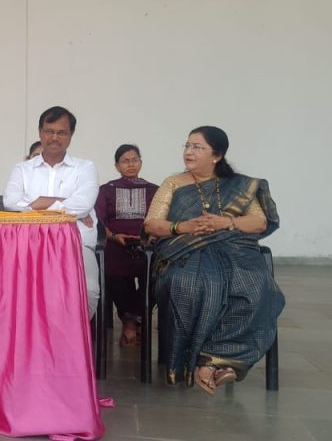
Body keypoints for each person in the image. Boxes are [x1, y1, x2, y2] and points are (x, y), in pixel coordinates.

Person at [143, 126, 282, 395]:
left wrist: (226, 222)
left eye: (197, 147)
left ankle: (214, 361)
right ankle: (206, 363)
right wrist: (183, 227)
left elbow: (259, 222)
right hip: (185, 250)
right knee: (186, 283)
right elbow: (151, 224)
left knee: (257, 285)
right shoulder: (173, 183)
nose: (189, 152)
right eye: (187, 146)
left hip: (233, 249)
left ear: (216, 155)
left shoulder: (240, 185)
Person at [3, 106, 100, 317]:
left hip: (76, 243)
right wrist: (65, 205)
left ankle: (74, 335)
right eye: (49, 131)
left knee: (88, 291)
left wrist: (38, 205)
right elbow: (10, 202)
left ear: (71, 135)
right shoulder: (22, 169)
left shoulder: (85, 168)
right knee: (17, 293)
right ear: (40, 132)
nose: (55, 137)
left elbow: (83, 204)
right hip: (30, 244)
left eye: (62, 132)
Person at [94, 144, 159, 347]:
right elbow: (99, 221)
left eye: (134, 160)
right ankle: (131, 323)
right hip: (115, 243)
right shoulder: (106, 190)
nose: (131, 164)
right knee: (112, 268)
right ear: (117, 166)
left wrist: (150, 237)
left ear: (141, 162)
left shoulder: (154, 190)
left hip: (147, 245)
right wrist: (114, 236)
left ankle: (132, 321)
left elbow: (160, 219)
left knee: (157, 275)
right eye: (125, 161)